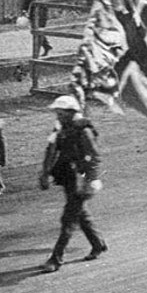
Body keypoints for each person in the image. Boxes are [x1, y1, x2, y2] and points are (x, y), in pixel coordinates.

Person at [38, 94, 107, 273]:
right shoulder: (63, 128)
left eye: (61, 113)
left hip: (82, 179)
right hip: (69, 177)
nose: (58, 116)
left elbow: (94, 156)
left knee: (68, 218)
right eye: (57, 113)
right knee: (80, 213)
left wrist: (90, 180)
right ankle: (98, 244)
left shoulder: (83, 130)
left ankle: (56, 258)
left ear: (71, 112)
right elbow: (51, 149)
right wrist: (45, 172)